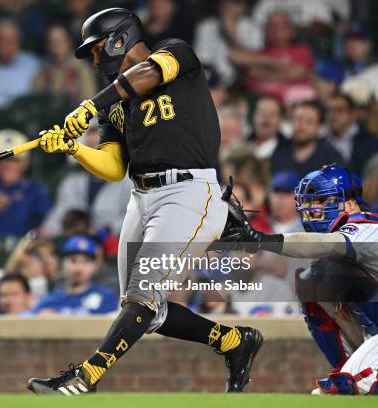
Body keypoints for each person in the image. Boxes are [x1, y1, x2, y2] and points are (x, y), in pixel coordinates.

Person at [29, 8, 262, 395]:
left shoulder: (175, 53)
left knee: (142, 296)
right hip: (142, 197)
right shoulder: (116, 104)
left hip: (188, 190)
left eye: (99, 49)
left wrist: (91, 105)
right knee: (144, 311)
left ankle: (86, 377)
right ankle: (236, 342)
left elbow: (149, 74)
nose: (96, 59)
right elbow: (113, 166)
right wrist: (74, 148)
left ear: (121, 39)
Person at [218, 164, 377, 394]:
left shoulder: (367, 229)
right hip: (373, 334)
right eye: (310, 202)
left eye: (322, 201)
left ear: (350, 203)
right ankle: (346, 368)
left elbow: (320, 244)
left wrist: (259, 238)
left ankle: (354, 377)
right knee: (313, 279)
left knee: (349, 386)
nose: (314, 208)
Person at [41, 118, 133, 237]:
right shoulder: (71, 182)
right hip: (78, 247)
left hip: (117, 246)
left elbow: (136, 217)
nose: (94, 139)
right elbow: (60, 215)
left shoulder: (131, 179)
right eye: (91, 134)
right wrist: (43, 232)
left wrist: (106, 231)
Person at [233, 11, 314, 103]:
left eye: (282, 26)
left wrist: (263, 73)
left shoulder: (302, 51)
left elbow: (299, 73)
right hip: (260, 101)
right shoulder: (260, 53)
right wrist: (272, 62)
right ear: (265, 30)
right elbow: (234, 57)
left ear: (292, 30)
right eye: (272, 26)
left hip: (296, 101)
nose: (276, 30)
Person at [0, 234, 57, 311]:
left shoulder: (42, 283)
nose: (47, 263)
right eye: (41, 258)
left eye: (49, 258)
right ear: (25, 256)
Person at [32, 235, 117, 316]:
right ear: (63, 263)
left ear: (95, 266)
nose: (78, 268)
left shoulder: (106, 298)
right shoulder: (49, 301)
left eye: (86, 262)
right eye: (73, 260)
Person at [194, 0, 263, 87]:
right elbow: (202, 62)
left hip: (244, 84)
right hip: (212, 84)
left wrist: (231, 36)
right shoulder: (206, 27)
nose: (229, 7)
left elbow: (255, 65)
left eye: (235, 3)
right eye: (225, 3)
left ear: (243, 7)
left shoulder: (253, 28)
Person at [270, 100, 343, 177]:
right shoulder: (280, 150)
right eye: (298, 119)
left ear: (319, 127)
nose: (301, 126)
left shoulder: (330, 158)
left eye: (309, 122)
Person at [32, 24, 97, 105]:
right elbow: (35, 98)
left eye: (59, 41)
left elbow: (89, 101)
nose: (55, 46)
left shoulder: (81, 68)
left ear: (68, 42)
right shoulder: (42, 70)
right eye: (51, 42)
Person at [325, 93, 378, 176]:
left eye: (339, 110)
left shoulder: (370, 142)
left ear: (353, 114)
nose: (333, 115)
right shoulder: (320, 141)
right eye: (329, 110)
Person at [249, 96, 284, 160]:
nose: (266, 118)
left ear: (280, 120)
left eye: (272, 114)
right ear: (253, 117)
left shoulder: (291, 151)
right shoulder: (242, 144)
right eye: (262, 113)